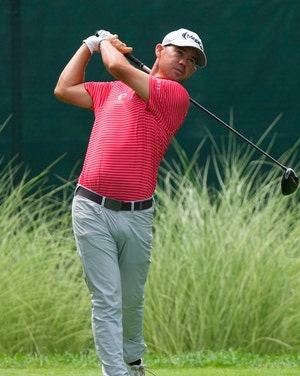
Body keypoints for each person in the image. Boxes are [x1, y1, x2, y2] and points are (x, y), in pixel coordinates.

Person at [54, 28, 207, 376]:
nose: (184, 61)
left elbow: (118, 67)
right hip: (91, 208)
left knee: (131, 301)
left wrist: (105, 42)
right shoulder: (110, 94)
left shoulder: (173, 96)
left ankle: (133, 361)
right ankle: (116, 373)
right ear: (158, 50)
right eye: (179, 52)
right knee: (106, 300)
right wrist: (88, 46)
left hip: (137, 216)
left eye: (192, 60)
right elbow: (63, 89)